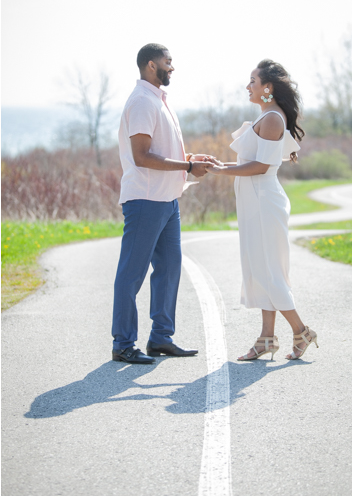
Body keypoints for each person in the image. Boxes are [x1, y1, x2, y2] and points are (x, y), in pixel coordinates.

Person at [111, 43, 215, 365]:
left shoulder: (158, 100)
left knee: (170, 269)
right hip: (145, 199)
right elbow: (142, 157)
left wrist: (189, 160)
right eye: (168, 62)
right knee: (132, 273)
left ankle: (160, 338)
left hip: (168, 200)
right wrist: (186, 168)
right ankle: (123, 344)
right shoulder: (142, 101)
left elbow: (161, 150)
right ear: (151, 65)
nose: (173, 67)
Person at [208, 59, 318, 361]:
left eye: (253, 81)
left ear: (267, 88)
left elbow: (261, 166)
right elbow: (249, 164)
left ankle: (302, 331)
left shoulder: (272, 119)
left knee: (269, 270)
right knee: (261, 268)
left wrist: (220, 172)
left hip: (263, 201)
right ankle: (267, 338)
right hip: (255, 200)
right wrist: (217, 167)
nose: (248, 87)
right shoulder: (268, 116)